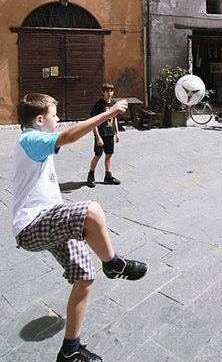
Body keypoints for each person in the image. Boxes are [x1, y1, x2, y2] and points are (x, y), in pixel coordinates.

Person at [12, 93, 149, 362]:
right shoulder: (29, 137)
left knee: (85, 276)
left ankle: (70, 351)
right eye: (55, 115)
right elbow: (68, 136)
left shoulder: (35, 141)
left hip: (48, 219)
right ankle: (114, 264)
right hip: (32, 225)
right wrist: (107, 115)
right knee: (92, 210)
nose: (59, 118)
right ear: (39, 120)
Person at [87, 83, 121, 188]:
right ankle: (91, 175)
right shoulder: (99, 105)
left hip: (110, 133)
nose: (110, 93)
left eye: (111, 91)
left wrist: (117, 132)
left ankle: (108, 175)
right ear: (103, 92)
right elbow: (94, 122)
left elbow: (114, 118)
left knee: (109, 154)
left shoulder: (114, 104)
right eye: (107, 91)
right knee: (98, 155)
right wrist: (97, 136)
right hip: (101, 134)